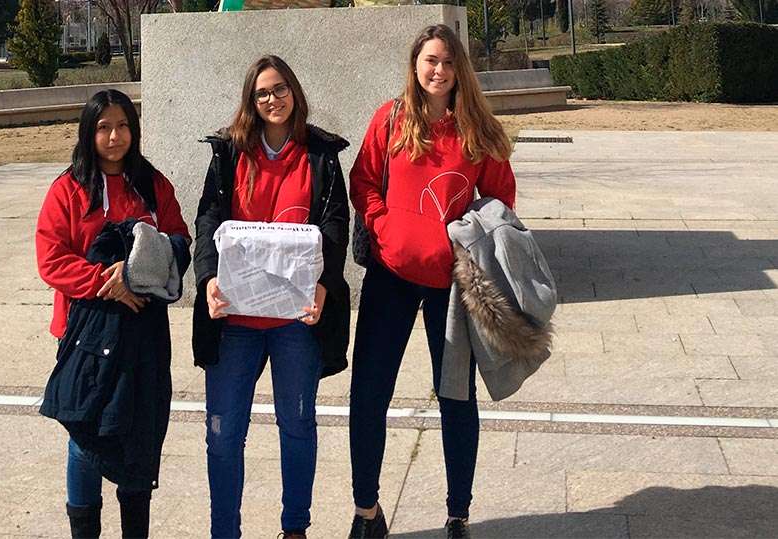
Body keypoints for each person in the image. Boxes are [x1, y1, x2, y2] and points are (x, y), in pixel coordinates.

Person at [347, 25, 517, 539]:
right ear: (415, 64)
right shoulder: (391, 118)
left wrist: (471, 241)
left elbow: (501, 202)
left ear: (458, 68)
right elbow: (363, 181)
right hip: (390, 279)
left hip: (452, 289)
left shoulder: (477, 131)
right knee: (368, 395)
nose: (437, 69)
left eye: (446, 61)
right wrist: (381, 225)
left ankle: (458, 513)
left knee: (456, 399)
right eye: (429, 60)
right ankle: (367, 512)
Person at [191, 55, 351, 539]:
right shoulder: (230, 153)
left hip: (294, 321)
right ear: (251, 100)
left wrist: (325, 284)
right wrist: (208, 280)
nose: (272, 100)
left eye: (280, 89)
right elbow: (207, 221)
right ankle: (225, 532)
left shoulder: (320, 154)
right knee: (223, 435)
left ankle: (295, 528)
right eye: (262, 93)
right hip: (236, 319)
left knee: (298, 427)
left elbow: (336, 226)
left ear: (294, 93)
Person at [35, 89, 190, 538]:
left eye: (122, 126)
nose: (114, 136)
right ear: (89, 133)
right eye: (103, 127)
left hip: (141, 337)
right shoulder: (68, 188)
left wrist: (136, 274)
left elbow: (179, 240)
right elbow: (51, 258)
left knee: (137, 437)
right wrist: (107, 283)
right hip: (84, 334)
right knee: (85, 435)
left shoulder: (153, 185)